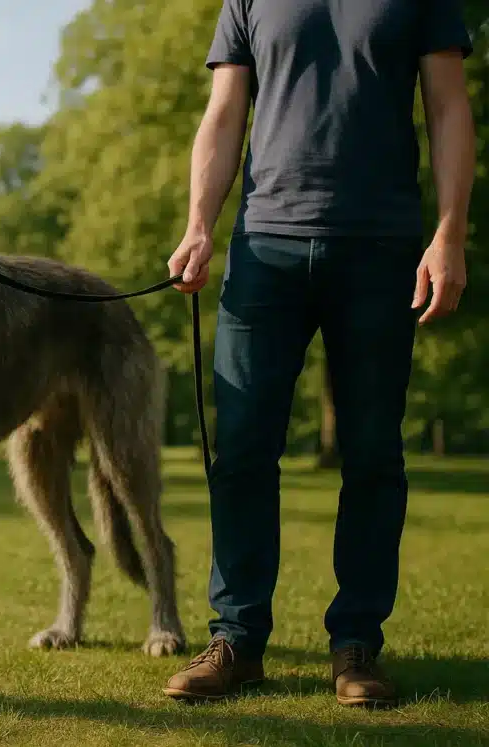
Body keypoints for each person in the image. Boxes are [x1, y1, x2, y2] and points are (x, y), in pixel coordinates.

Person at [162, 0, 475, 707]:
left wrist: (449, 233)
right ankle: (236, 639)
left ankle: (357, 644)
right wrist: (198, 224)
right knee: (240, 450)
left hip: (383, 247)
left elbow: (449, 108)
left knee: (371, 454)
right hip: (264, 245)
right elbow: (224, 112)